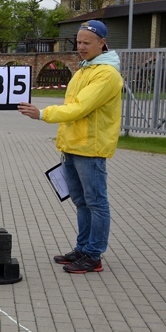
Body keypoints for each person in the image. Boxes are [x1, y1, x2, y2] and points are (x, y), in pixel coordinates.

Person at [18, 20, 122, 274]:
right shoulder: (84, 70)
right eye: (79, 42)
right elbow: (73, 110)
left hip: (91, 149)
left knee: (96, 202)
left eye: (87, 42)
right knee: (80, 201)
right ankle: (82, 248)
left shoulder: (106, 74)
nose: (82, 47)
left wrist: (42, 113)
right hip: (72, 147)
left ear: (102, 43)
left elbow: (80, 108)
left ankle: (93, 255)